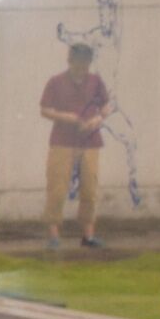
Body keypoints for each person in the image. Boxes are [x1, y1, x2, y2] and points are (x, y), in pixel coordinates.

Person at [42, 44, 112, 251]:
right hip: (62, 141)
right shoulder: (56, 82)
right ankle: (54, 234)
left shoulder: (96, 81)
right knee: (57, 187)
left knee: (90, 187)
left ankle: (88, 234)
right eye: (78, 61)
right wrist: (67, 117)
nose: (82, 66)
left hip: (90, 141)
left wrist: (98, 119)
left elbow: (106, 105)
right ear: (70, 60)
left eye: (86, 62)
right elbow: (45, 110)